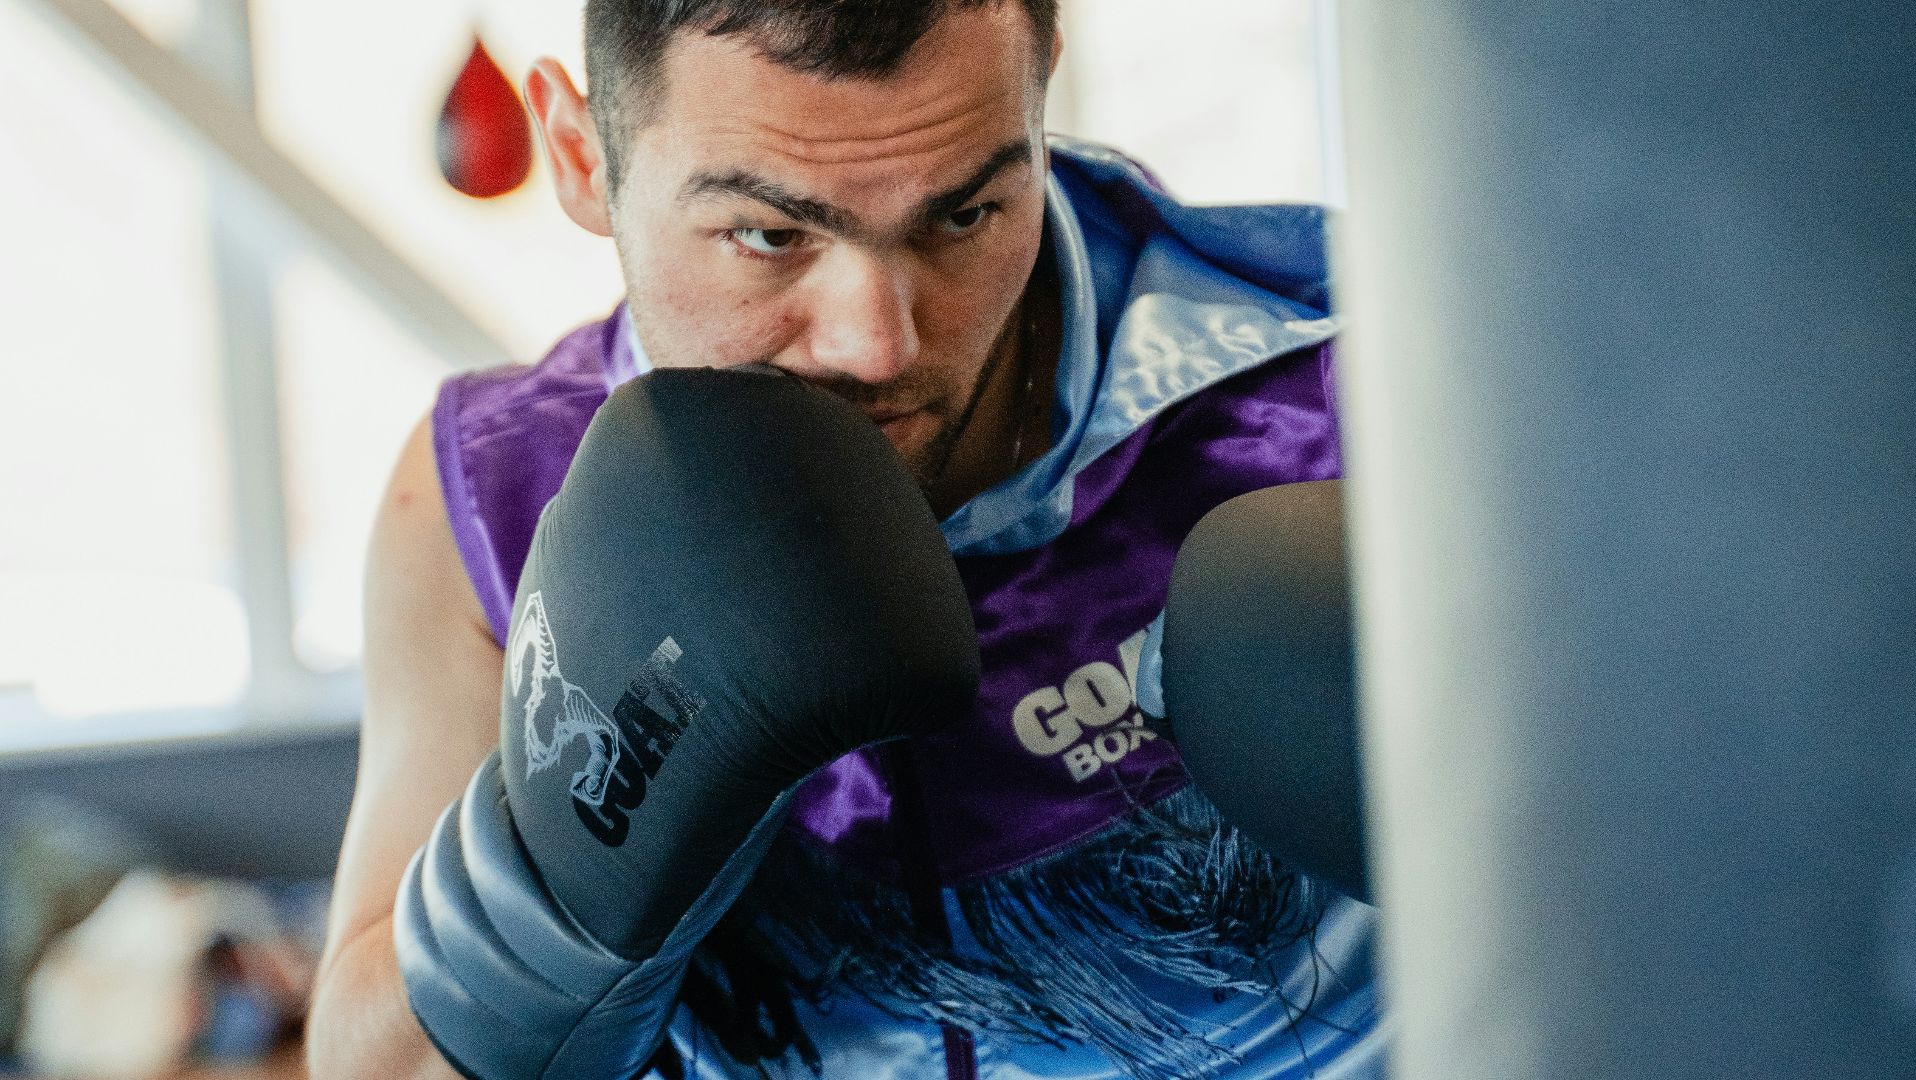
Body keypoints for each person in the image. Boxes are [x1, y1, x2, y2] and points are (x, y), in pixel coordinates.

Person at [306, 2, 1387, 1077]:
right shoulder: (494, 496)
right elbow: (373, 1067)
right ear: (585, 155)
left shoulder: (1349, 384)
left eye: (964, 215)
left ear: (1039, 86)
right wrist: (574, 868)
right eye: (771, 236)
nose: (876, 340)